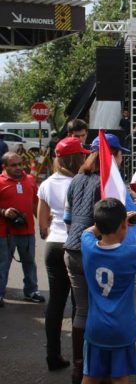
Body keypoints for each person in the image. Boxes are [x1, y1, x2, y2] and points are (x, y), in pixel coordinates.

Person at [63, 134, 132, 384]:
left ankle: (79, 370)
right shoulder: (107, 183)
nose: (122, 159)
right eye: (120, 154)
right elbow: (112, 222)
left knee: (81, 310)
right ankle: (102, 369)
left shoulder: (76, 179)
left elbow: (68, 218)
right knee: (104, 310)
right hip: (96, 252)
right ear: (111, 154)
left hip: (72, 249)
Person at [81, 200, 136, 383]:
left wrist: (109, 222)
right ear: (124, 225)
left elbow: (88, 232)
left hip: (95, 328)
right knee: (120, 379)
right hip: (122, 330)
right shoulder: (132, 253)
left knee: (90, 377)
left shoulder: (88, 246)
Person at [37, 137, 90, 371]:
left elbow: (41, 224)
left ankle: (53, 355)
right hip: (77, 245)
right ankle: (83, 360)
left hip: (53, 245)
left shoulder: (46, 183)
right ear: (77, 157)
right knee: (81, 304)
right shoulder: (83, 181)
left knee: (56, 302)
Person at [0, 152, 43, 308]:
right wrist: (4, 212)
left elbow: (36, 204)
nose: (19, 168)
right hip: (4, 233)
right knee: (2, 264)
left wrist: (44, 224)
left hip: (27, 231)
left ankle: (31, 291)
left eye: (20, 164)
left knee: (30, 262)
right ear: (4, 167)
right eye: (14, 165)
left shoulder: (30, 180)